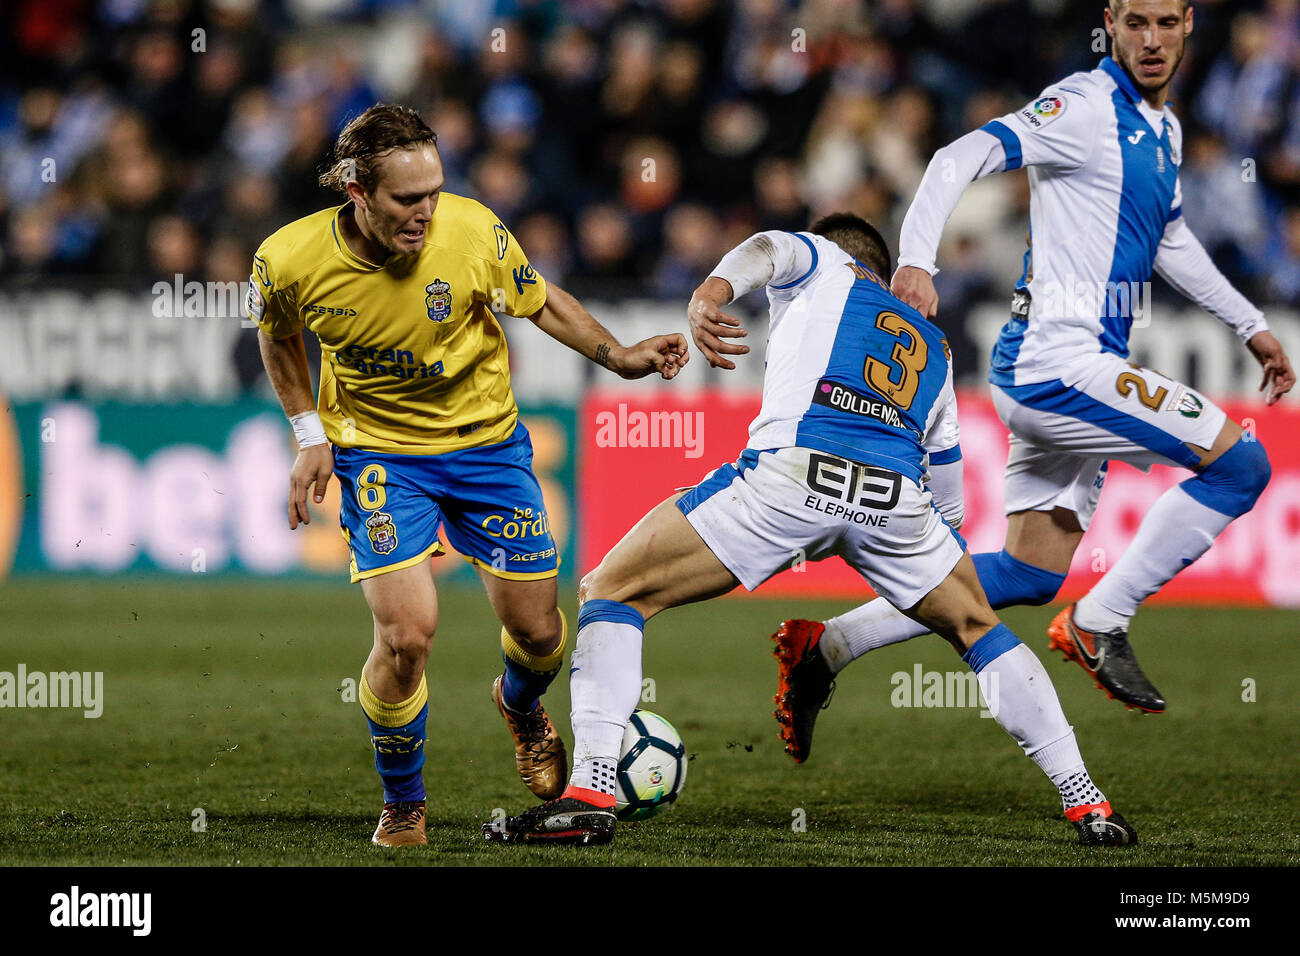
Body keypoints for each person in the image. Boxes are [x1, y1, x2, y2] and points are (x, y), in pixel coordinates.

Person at [484, 214, 1137, 847]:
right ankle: (1087, 801)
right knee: (977, 628)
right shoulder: (935, 348)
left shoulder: (827, 261)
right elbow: (953, 508)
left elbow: (768, 246)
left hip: (793, 474)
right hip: (893, 496)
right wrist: (920, 557)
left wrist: (709, 294)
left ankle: (594, 792)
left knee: (612, 590)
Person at [771, 0, 1296, 764]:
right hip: (1056, 364)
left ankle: (826, 647)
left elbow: (1172, 236)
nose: (1151, 40)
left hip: (1076, 368)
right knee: (1242, 464)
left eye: (1167, 23)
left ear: (1189, 24)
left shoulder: (1166, 130)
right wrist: (917, 260)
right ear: (1111, 20)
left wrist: (1249, 323)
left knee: (1025, 571)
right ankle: (1103, 618)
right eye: (1136, 21)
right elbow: (956, 158)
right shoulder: (1081, 107)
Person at [250, 104, 687, 846]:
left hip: (487, 449)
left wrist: (618, 357)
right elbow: (278, 335)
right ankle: (405, 803)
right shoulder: (288, 258)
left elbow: (541, 299)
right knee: (407, 636)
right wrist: (308, 434)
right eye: (407, 199)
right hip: (378, 457)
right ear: (356, 190)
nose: (427, 211)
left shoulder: (473, 230)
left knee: (542, 636)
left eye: (434, 192)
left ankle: (518, 704)